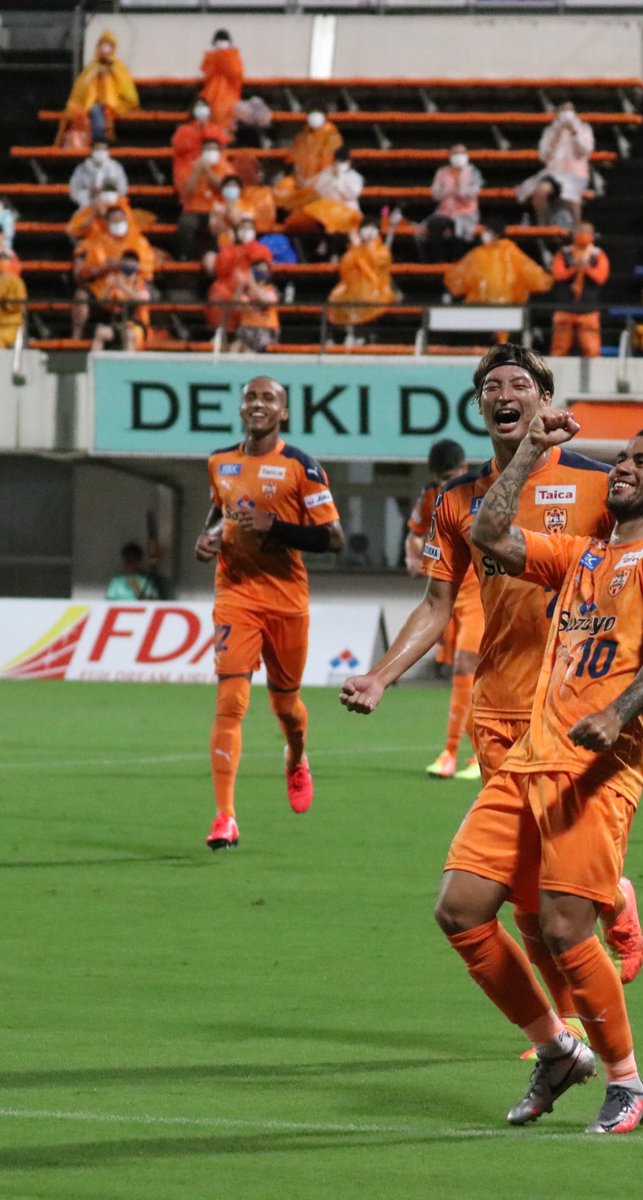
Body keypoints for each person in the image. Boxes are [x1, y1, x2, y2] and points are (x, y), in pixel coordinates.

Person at [340, 344, 643, 1035]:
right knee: (517, 899)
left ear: (545, 400)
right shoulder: (459, 501)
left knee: (547, 899)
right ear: (482, 406)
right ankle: (568, 1020)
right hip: (499, 707)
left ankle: (589, 978)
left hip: (576, 711)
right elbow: (435, 604)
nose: (504, 392)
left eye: (520, 382)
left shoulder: (603, 484)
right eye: (492, 385)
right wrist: (381, 675)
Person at [433, 410, 643, 1136]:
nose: (622, 467)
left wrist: (618, 713)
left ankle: (628, 1083)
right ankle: (557, 1049)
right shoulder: (582, 555)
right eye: (620, 458)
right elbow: (488, 535)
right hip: (528, 759)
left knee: (562, 926)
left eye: (642, 463)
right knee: (460, 909)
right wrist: (530, 449)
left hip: (597, 769)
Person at [194, 376, 345, 850]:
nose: (258, 404)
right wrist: (207, 538)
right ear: (241, 407)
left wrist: (275, 527)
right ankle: (225, 818)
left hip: (285, 599)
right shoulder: (220, 461)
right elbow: (218, 511)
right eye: (251, 397)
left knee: (287, 709)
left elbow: (333, 538)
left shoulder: (302, 466)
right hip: (235, 595)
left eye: (269, 399)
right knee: (231, 703)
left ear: (283, 413)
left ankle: (296, 758)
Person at [403, 439, 487, 781]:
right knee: (461, 673)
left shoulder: (483, 489)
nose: (446, 483)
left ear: (464, 468)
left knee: (466, 666)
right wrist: (412, 555)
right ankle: (469, 755)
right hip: (447, 597)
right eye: (441, 478)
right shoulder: (431, 495)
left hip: (481, 596)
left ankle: (457, 753)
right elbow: (414, 533)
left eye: (451, 475)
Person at [71, 204, 155, 340]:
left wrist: (122, 265)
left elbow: (146, 269)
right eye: (114, 221)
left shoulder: (139, 242)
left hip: (130, 286)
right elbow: (85, 273)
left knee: (142, 295)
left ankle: (140, 330)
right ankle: (76, 337)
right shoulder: (97, 242)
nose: (118, 224)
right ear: (106, 222)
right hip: (103, 287)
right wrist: (105, 268)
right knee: (81, 295)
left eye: (120, 220)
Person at [327, 213, 402, 344]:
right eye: (365, 228)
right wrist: (356, 249)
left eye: (372, 228)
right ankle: (338, 335)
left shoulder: (383, 250)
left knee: (366, 298)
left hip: (376, 287)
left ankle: (363, 334)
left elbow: (378, 265)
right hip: (353, 286)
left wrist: (367, 248)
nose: (368, 231)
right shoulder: (353, 249)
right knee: (336, 297)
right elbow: (345, 267)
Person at [443, 223, 553, 311]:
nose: (484, 234)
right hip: (480, 304)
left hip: (507, 303)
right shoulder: (478, 253)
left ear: (496, 234)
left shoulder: (509, 250)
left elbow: (527, 270)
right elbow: (460, 276)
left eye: (488, 231)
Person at [518, 103, 594, 228]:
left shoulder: (584, 129)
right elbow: (544, 156)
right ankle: (541, 224)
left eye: (570, 110)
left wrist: (574, 131)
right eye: (564, 110)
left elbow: (585, 150)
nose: (567, 114)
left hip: (576, 174)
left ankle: (577, 228)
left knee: (571, 194)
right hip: (554, 174)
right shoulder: (550, 131)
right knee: (540, 191)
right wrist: (557, 135)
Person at [58, 30, 138, 149]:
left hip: (114, 104)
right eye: (103, 44)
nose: (105, 48)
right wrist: (96, 76)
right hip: (92, 104)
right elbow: (81, 89)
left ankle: (100, 143)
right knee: (93, 111)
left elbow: (127, 90)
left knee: (99, 112)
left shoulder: (118, 67)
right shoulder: (91, 67)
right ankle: (97, 143)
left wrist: (111, 73)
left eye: (109, 45)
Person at [549, 222, 609, 358]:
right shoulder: (564, 253)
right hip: (564, 308)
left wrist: (586, 269)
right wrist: (574, 269)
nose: (583, 235)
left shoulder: (597, 255)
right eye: (580, 231)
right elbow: (557, 274)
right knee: (559, 349)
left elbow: (601, 277)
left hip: (588, 310)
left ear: (593, 235)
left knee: (592, 350)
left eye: (586, 232)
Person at [417, 144, 483, 262]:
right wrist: (445, 189)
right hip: (445, 212)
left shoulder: (473, 172)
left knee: (458, 230)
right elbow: (435, 195)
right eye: (455, 153)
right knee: (432, 226)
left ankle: (458, 261)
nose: (458, 156)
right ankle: (437, 262)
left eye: (461, 153)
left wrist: (459, 185)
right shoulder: (442, 172)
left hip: (465, 213)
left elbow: (471, 194)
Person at [207, 217, 272, 335]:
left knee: (254, 297)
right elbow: (221, 270)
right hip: (229, 287)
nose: (245, 231)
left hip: (252, 288)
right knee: (218, 290)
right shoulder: (228, 249)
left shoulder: (261, 249)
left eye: (249, 228)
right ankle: (223, 333)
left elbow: (263, 271)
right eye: (242, 228)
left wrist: (248, 280)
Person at [179, 137, 234, 262]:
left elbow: (225, 188)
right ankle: (187, 258)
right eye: (208, 149)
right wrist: (198, 171)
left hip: (218, 210)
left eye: (214, 149)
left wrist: (207, 172)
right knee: (186, 223)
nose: (211, 152)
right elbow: (186, 192)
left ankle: (222, 258)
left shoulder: (226, 168)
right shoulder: (189, 167)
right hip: (194, 209)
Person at [230, 261, 280, 353]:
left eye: (265, 270)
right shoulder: (247, 293)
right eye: (259, 269)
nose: (262, 272)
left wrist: (251, 282)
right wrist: (240, 285)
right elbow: (236, 307)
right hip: (246, 332)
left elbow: (265, 300)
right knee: (235, 347)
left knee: (248, 352)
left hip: (265, 331)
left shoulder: (271, 289)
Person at [200, 29, 243, 132]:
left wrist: (222, 56)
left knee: (227, 132)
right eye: (219, 42)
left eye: (223, 42)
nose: (221, 45)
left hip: (229, 103)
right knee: (211, 132)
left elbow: (235, 73)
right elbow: (207, 72)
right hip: (212, 101)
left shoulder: (233, 58)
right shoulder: (211, 59)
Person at [68, 141, 129, 214]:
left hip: (112, 206)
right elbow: (74, 190)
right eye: (97, 150)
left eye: (103, 150)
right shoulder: (82, 169)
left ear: (107, 151)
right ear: (92, 151)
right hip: (87, 206)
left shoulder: (116, 168)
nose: (100, 153)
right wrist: (89, 193)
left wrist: (105, 191)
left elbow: (123, 189)